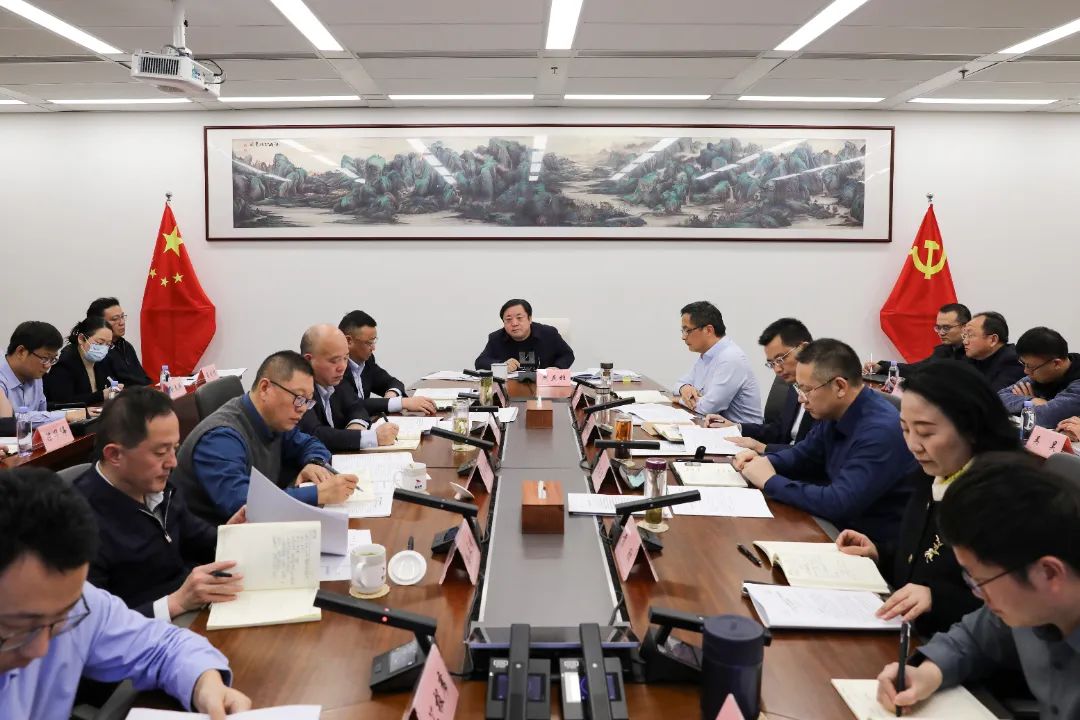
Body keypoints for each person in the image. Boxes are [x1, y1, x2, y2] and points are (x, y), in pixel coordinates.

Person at [0, 466, 251, 719]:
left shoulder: (76, 603)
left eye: (60, 621)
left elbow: (161, 648)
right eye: (16, 628)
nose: (40, 650)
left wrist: (205, 683)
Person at [875, 462, 1080, 718]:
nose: (976, 593)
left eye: (981, 581)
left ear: (1049, 573)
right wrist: (927, 674)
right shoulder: (1033, 602)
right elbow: (973, 639)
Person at [836, 361, 1022, 636]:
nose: (913, 445)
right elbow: (921, 559)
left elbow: (1019, 613)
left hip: (951, 643)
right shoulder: (936, 472)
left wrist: (938, 599)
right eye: (905, 429)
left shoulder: (1006, 498)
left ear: (971, 428)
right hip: (906, 628)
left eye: (925, 432)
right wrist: (880, 553)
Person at [74, 387, 245, 621]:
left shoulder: (158, 489)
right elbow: (89, 624)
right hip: (142, 630)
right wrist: (175, 603)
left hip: (189, 610)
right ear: (114, 455)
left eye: (174, 449)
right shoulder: (77, 523)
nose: (173, 463)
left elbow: (198, 538)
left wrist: (230, 537)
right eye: (161, 452)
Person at [734, 339, 917, 547]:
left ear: (839, 386)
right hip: (834, 527)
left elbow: (839, 502)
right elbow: (804, 455)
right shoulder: (835, 411)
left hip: (867, 545)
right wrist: (766, 461)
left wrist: (770, 481)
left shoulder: (880, 431)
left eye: (806, 390)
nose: (801, 399)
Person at [170, 350, 358, 524]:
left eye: (307, 401)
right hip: (216, 543)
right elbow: (245, 505)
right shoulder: (219, 439)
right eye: (298, 398)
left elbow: (310, 444)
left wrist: (314, 463)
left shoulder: (275, 419)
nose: (302, 408)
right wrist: (318, 493)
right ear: (265, 388)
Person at [706, 317, 815, 453]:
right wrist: (736, 427)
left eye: (781, 359)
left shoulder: (826, 391)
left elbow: (815, 453)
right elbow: (779, 430)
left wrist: (762, 447)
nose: (777, 369)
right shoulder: (795, 385)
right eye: (772, 363)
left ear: (803, 349)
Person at [298, 324, 400, 451]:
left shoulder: (337, 381)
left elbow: (357, 407)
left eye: (345, 358)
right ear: (308, 360)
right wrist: (371, 437)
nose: (342, 367)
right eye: (334, 361)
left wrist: (356, 426)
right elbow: (315, 433)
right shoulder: (297, 389)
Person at [673, 301, 762, 423]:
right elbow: (678, 384)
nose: (683, 337)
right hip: (712, 426)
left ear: (709, 330)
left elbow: (707, 408)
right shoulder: (707, 355)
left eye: (687, 330)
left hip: (740, 432)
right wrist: (684, 388)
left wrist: (679, 400)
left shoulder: (731, 358)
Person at [338, 310, 436, 416]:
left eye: (374, 341)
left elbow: (392, 382)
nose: (373, 348)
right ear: (349, 341)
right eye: (369, 343)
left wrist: (391, 395)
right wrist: (401, 403)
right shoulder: (336, 368)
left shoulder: (366, 361)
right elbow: (354, 404)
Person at [0, 321, 87, 425]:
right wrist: (65, 415)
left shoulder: (35, 375)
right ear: (21, 352)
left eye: (52, 359)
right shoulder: (2, 378)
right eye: (45, 358)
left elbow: (41, 415)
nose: (48, 366)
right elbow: (7, 421)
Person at [999, 326, 1080, 429]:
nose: (1026, 371)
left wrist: (1022, 406)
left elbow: (1045, 417)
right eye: (1023, 364)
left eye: (1030, 366)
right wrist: (1032, 401)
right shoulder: (1040, 373)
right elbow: (997, 399)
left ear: (1056, 363)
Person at [864, 303, 970, 377]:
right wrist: (881, 367)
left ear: (964, 327)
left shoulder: (974, 354)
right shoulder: (943, 351)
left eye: (946, 328)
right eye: (938, 327)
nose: (941, 333)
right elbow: (916, 369)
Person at [42, 316, 122, 407]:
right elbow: (62, 402)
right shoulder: (65, 364)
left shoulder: (102, 360)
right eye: (100, 343)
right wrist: (101, 395)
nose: (104, 348)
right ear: (81, 339)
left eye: (108, 344)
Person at [474, 299, 575, 371]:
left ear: (529, 319)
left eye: (519, 318)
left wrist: (557, 368)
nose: (514, 323)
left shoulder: (549, 334)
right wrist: (501, 365)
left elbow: (567, 354)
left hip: (545, 386)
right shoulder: (496, 338)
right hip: (510, 389)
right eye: (508, 319)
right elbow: (480, 362)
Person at [87, 297, 152, 387]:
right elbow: (110, 387)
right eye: (115, 319)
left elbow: (143, 378)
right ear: (99, 323)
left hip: (140, 393)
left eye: (122, 317)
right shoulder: (98, 352)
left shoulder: (126, 346)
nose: (122, 323)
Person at [961, 311, 1025, 390]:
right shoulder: (969, 359)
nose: (964, 342)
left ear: (993, 340)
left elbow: (994, 396)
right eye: (964, 336)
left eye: (970, 335)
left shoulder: (1013, 361)